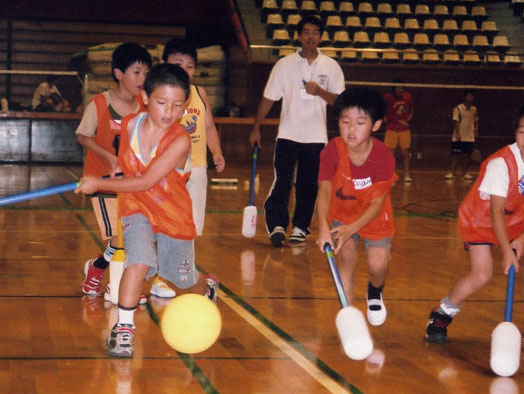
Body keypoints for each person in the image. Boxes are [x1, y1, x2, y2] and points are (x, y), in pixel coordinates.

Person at [75, 63, 219, 358]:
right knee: (137, 262)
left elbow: (148, 180)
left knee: (183, 279)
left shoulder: (180, 141)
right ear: (145, 98)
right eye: (162, 102)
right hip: (137, 208)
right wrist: (115, 170)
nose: (169, 111)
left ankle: (208, 286)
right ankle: (124, 329)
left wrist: (99, 183)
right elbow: (128, 164)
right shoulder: (129, 124)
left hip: (172, 214)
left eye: (178, 106)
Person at [426, 98, 524, 346]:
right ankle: (442, 313)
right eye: (522, 132)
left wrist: (523, 240)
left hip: (516, 219)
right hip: (481, 220)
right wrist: (507, 250)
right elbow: (495, 212)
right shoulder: (501, 163)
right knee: (482, 274)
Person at [249, 15, 345, 247]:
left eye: (315, 32)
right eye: (306, 32)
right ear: (298, 36)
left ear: (321, 37)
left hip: (316, 139)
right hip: (287, 135)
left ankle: (301, 227)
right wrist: (256, 128)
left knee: (309, 184)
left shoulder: (331, 66)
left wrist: (320, 92)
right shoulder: (284, 64)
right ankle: (277, 226)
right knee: (281, 182)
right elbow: (268, 98)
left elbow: (341, 102)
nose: (310, 37)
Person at [148, 38, 227, 299]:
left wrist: (215, 151)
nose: (185, 70)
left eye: (190, 66)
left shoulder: (199, 93)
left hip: (197, 166)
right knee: (162, 223)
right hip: (167, 169)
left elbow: (210, 126)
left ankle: (186, 275)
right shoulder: (157, 97)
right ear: (163, 64)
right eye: (178, 64)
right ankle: (159, 276)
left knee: (189, 226)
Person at [315, 87, 397, 326]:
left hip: (374, 217)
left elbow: (377, 202)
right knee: (346, 260)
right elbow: (325, 189)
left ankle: (375, 291)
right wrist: (323, 226)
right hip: (342, 215)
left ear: (376, 125)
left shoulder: (384, 157)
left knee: (378, 265)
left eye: (360, 122)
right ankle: (348, 315)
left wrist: (353, 228)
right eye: (345, 121)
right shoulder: (332, 150)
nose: (351, 129)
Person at [77, 43, 152, 296]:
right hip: (104, 184)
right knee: (121, 237)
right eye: (137, 72)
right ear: (119, 74)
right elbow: (83, 136)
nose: (143, 79)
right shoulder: (99, 104)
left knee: (129, 236)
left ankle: (97, 268)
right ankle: (119, 287)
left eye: (145, 73)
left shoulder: (146, 106)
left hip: (133, 185)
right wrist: (109, 157)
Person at [383, 79, 414, 183]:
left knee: (405, 152)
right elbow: (381, 108)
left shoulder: (407, 96)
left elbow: (411, 108)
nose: (400, 89)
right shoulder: (388, 97)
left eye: (402, 87)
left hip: (404, 128)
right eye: (398, 88)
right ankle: (391, 174)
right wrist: (384, 117)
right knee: (390, 153)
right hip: (391, 128)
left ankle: (406, 173)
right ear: (394, 89)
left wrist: (409, 116)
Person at [446, 90, 479, 180]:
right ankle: (451, 173)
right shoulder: (458, 109)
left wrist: (476, 129)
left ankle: (465, 173)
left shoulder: (474, 109)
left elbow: (476, 120)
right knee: (456, 155)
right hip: (459, 136)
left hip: (470, 136)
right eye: (468, 96)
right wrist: (457, 133)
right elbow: (456, 121)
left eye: (471, 96)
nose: (470, 98)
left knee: (467, 155)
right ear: (464, 98)